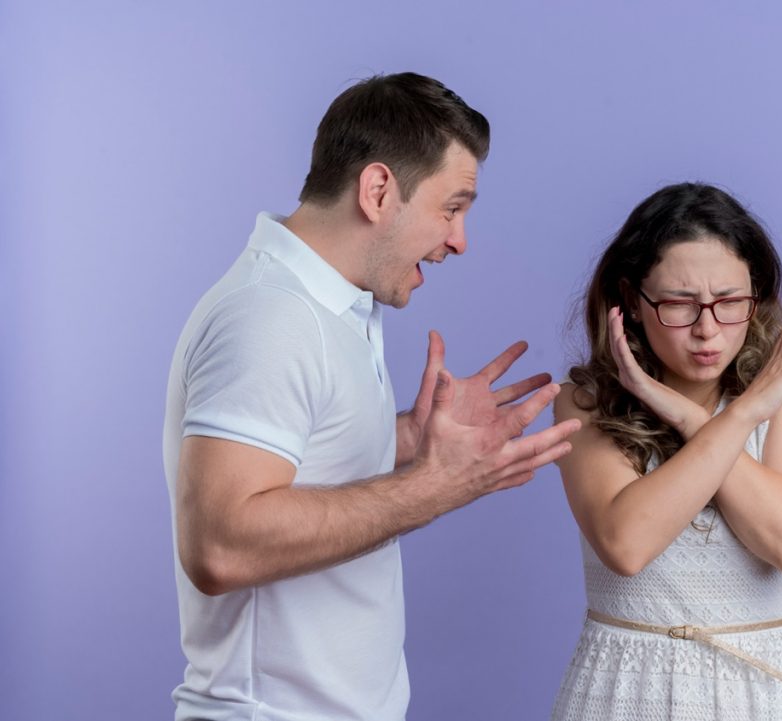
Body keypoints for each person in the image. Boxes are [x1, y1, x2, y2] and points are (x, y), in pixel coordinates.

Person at [162, 72, 580, 721]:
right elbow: (222, 546)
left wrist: (413, 438)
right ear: (379, 189)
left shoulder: (332, 307)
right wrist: (437, 486)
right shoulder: (271, 317)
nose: (459, 239)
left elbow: (305, 465)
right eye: (452, 206)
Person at [550, 183, 782, 720]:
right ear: (632, 302)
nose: (707, 330)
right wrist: (739, 417)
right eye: (680, 304)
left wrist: (693, 418)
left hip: (764, 692)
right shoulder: (584, 402)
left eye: (729, 303)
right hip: (628, 690)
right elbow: (626, 544)